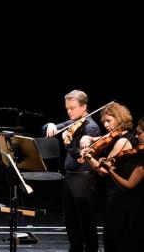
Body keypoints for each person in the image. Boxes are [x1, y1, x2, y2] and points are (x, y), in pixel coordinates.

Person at [44, 90, 101, 252]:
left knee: (86, 221)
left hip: (83, 179)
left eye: (73, 108)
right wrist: (50, 125)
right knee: (70, 220)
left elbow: (81, 157)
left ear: (84, 107)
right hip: (70, 177)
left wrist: (69, 144)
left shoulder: (92, 128)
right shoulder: (73, 122)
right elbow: (48, 129)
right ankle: (74, 248)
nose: (69, 112)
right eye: (67, 108)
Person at [83, 104, 136, 252]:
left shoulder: (122, 141)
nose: (106, 125)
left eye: (109, 121)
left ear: (119, 118)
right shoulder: (125, 136)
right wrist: (88, 137)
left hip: (119, 197)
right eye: (103, 122)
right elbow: (102, 139)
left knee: (113, 240)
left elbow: (104, 171)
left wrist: (88, 158)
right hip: (121, 195)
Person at [93, 116, 143, 252]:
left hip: (128, 199)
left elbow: (129, 184)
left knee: (118, 239)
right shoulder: (138, 153)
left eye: (139, 134)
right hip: (128, 199)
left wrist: (109, 169)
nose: (137, 137)